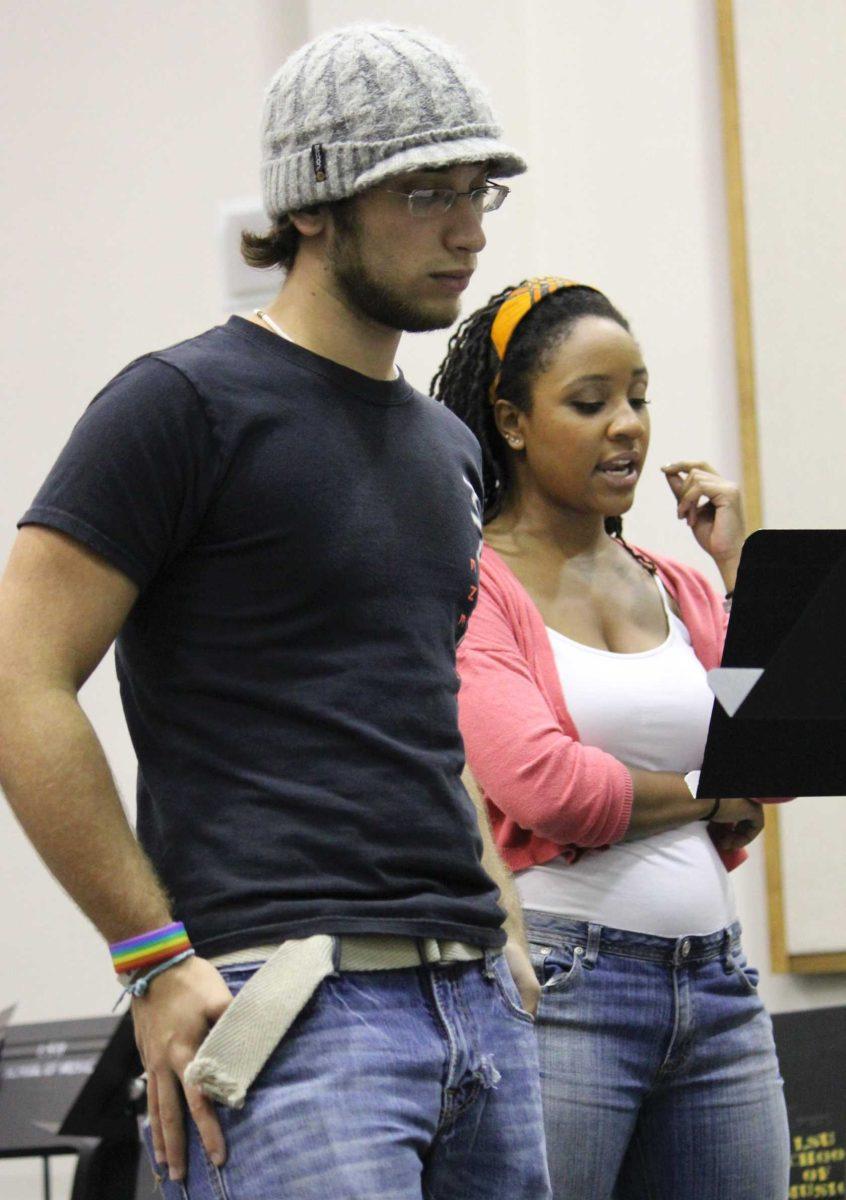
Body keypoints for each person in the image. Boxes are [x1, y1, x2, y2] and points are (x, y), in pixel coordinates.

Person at [0, 27, 553, 1200]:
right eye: (425, 193)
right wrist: (151, 959)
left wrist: (499, 924)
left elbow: (424, 710)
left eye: (479, 191)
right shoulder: (181, 407)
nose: (470, 230)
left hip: (474, 1009)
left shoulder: (444, 446)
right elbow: (17, 678)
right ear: (312, 205)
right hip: (293, 1004)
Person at [433, 277, 791, 1199]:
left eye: (637, 396)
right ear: (511, 422)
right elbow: (549, 787)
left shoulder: (674, 581)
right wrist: (717, 794)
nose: (627, 424)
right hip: (565, 991)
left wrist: (741, 568)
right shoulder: (474, 586)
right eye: (590, 403)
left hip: (718, 985)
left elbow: (782, 751)